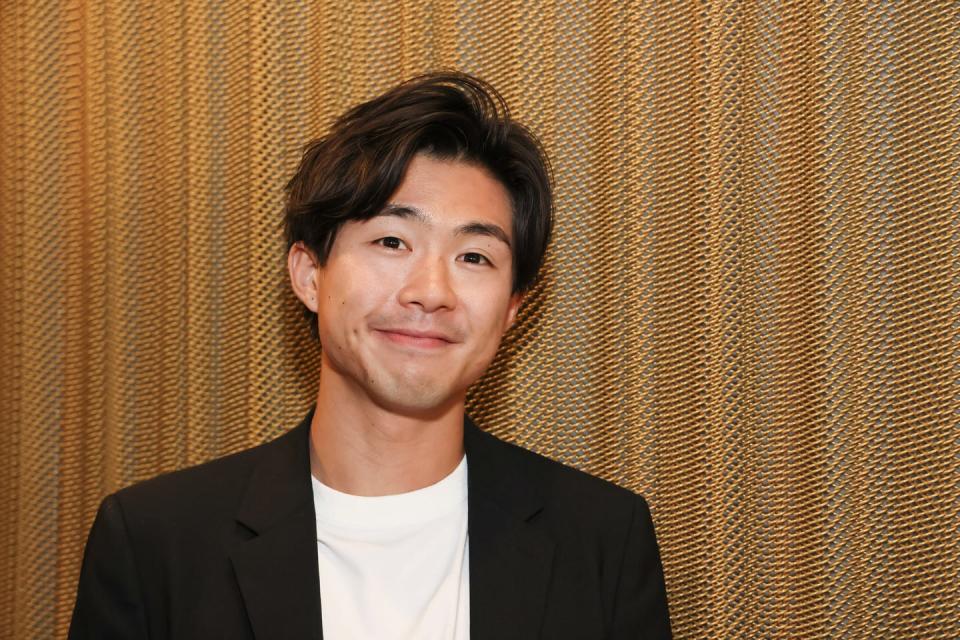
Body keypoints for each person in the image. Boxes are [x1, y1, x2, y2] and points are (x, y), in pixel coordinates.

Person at [69, 71, 672, 639]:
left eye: (474, 257)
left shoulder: (602, 540)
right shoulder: (155, 542)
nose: (430, 291)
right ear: (309, 275)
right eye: (391, 241)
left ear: (513, 307)